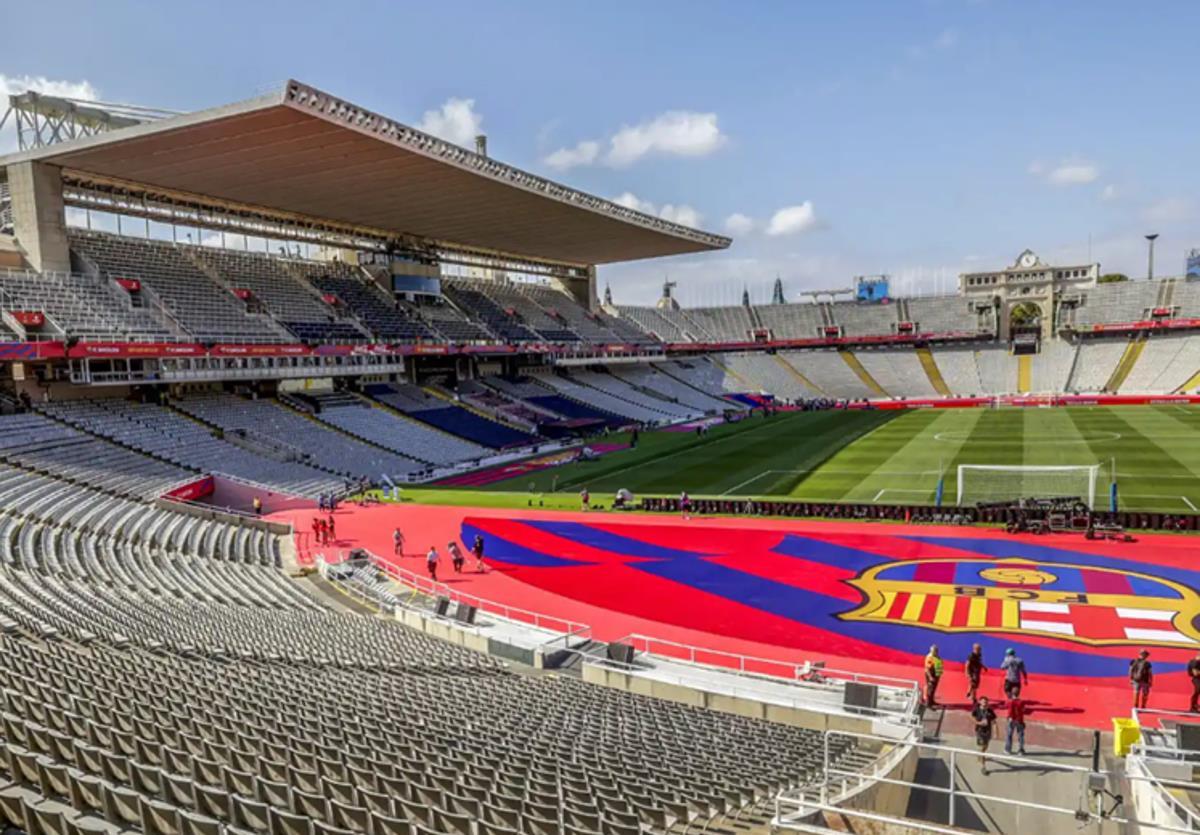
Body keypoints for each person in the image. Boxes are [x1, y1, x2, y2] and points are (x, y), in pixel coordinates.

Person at [972, 696, 998, 774]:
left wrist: (996, 732)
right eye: (983, 702)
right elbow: (972, 717)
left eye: (986, 702)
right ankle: (983, 767)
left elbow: (994, 722)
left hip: (988, 731)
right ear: (980, 702)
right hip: (980, 731)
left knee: (986, 746)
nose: (984, 703)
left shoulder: (990, 711)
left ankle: (980, 755)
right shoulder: (977, 710)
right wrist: (978, 723)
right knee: (982, 749)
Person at [924, 645, 944, 709]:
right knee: (930, 689)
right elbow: (927, 669)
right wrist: (930, 677)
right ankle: (928, 704)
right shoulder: (930, 657)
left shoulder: (937, 656)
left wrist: (939, 673)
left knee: (933, 689)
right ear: (932, 651)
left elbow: (938, 664)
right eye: (935, 651)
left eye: (936, 650)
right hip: (931, 674)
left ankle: (932, 701)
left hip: (936, 674)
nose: (936, 652)